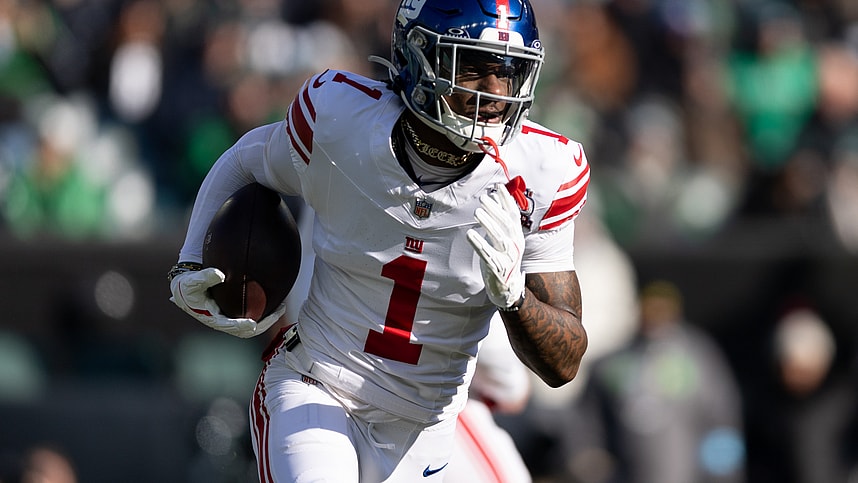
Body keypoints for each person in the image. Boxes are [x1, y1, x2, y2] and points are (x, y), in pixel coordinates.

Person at [168, 0, 590, 481]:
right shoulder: (341, 118)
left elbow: (564, 362)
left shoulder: (543, 171)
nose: (495, 93)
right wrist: (188, 260)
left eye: (508, 73)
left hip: (426, 428)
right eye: (472, 67)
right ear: (418, 57)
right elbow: (249, 158)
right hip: (320, 384)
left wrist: (515, 300)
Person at [573, 280, 745, 483]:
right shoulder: (612, 363)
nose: (656, 314)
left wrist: (723, 474)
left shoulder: (699, 356)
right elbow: (588, 421)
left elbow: (722, 416)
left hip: (689, 473)